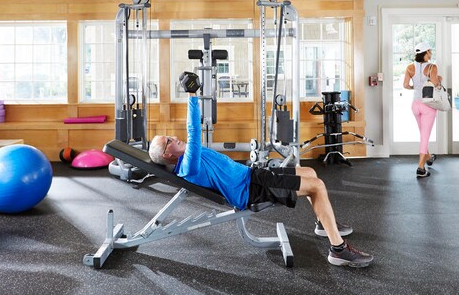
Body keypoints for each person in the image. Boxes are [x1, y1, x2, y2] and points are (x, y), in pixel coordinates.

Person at [148, 72, 373, 268]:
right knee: (318, 186)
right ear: (168, 155)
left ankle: (324, 224)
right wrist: (191, 96)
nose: (174, 137)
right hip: (251, 190)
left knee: (310, 173)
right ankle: (338, 249)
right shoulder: (188, 166)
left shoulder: (187, 157)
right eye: (169, 140)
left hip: (252, 176)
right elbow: (193, 131)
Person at [403, 42, 441, 178]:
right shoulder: (432, 67)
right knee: (425, 136)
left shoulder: (409, 67)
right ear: (425, 53)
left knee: (423, 134)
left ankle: (429, 157)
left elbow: (406, 85)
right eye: (430, 51)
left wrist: (416, 88)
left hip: (415, 105)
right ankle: (420, 167)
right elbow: (436, 84)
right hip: (427, 105)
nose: (431, 54)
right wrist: (439, 80)